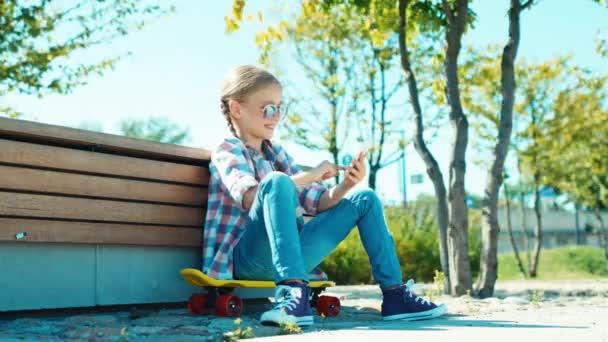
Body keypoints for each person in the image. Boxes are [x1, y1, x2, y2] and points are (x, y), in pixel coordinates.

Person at [203, 65, 447, 327]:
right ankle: (293, 295)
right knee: (275, 183)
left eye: (279, 108)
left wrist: (346, 184)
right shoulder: (228, 150)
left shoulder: (278, 155)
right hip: (247, 257)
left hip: (292, 254)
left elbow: (318, 202)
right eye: (268, 108)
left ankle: (396, 295)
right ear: (237, 109)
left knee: (364, 198)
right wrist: (311, 175)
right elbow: (251, 197)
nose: (275, 116)